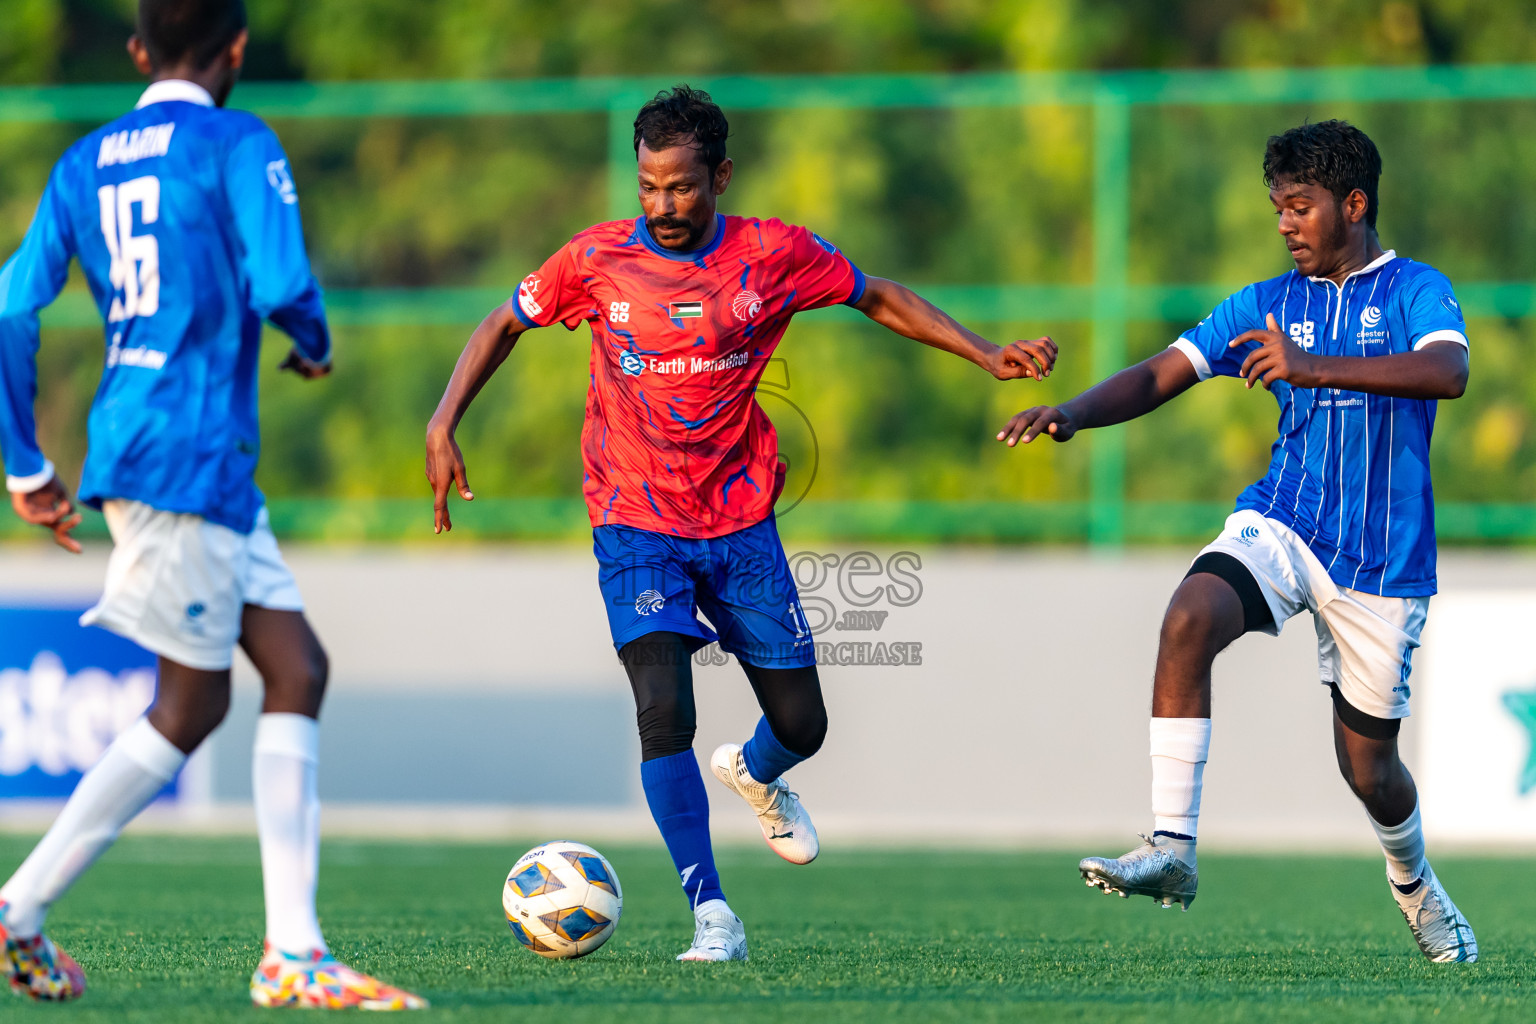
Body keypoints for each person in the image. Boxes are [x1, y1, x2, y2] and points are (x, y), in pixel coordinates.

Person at [427, 84, 1056, 962]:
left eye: (681, 187)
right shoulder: (595, 260)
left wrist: (984, 353)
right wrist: (442, 420)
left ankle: (756, 773)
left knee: (804, 726)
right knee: (662, 711)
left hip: (737, 522)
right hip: (632, 518)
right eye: (648, 187)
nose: (662, 206)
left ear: (719, 176)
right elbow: (505, 321)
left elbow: (876, 296)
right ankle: (712, 912)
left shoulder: (774, 256)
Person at [0, 0, 425, 1007]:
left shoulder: (84, 162)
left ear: (140, 50)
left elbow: (14, 306)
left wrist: (25, 463)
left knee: (295, 666)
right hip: (186, 455)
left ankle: (290, 948)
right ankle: (25, 910)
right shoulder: (237, 139)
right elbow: (283, 280)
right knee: (188, 705)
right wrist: (314, 337)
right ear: (236, 51)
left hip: (177, 457)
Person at [998, 120, 1475, 962]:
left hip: (1383, 562)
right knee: (1189, 615)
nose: (1286, 223)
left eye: (1302, 206)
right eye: (1278, 208)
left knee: (1370, 770)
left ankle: (1415, 887)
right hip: (1285, 523)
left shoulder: (1414, 290)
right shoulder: (1264, 302)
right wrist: (1071, 413)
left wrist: (1310, 367)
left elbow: (1449, 372)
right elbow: (1160, 372)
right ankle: (1172, 848)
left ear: (1354, 204)